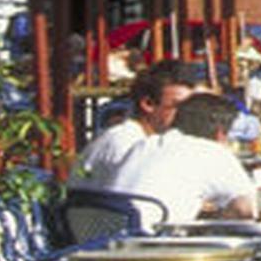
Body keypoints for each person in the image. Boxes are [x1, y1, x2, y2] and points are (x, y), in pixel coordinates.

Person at [110, 91, 260, 225]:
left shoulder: (144, 145)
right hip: (154, 243)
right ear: (221, 134)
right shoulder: (213, 152)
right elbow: (247, 210)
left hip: (109, 240)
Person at [78, 60, 195, 188]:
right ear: (148, 104)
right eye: (179, 106)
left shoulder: (123, 137)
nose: (187, 114)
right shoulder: (130, 145)